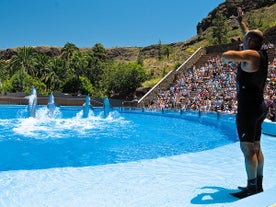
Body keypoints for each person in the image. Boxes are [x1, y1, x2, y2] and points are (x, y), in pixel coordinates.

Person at [222, 7, 268, 199]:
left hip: (248, 109)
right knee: (256, 146)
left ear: (249, 43)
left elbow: (226, 55)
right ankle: (257, 184)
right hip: (259, 105)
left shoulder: (251, 55)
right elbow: (250, 37)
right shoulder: (261, 53)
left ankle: (251, 188)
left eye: (245, 39)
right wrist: (241, 23)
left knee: (247, 149)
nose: (242, 39)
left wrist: (236, 49)